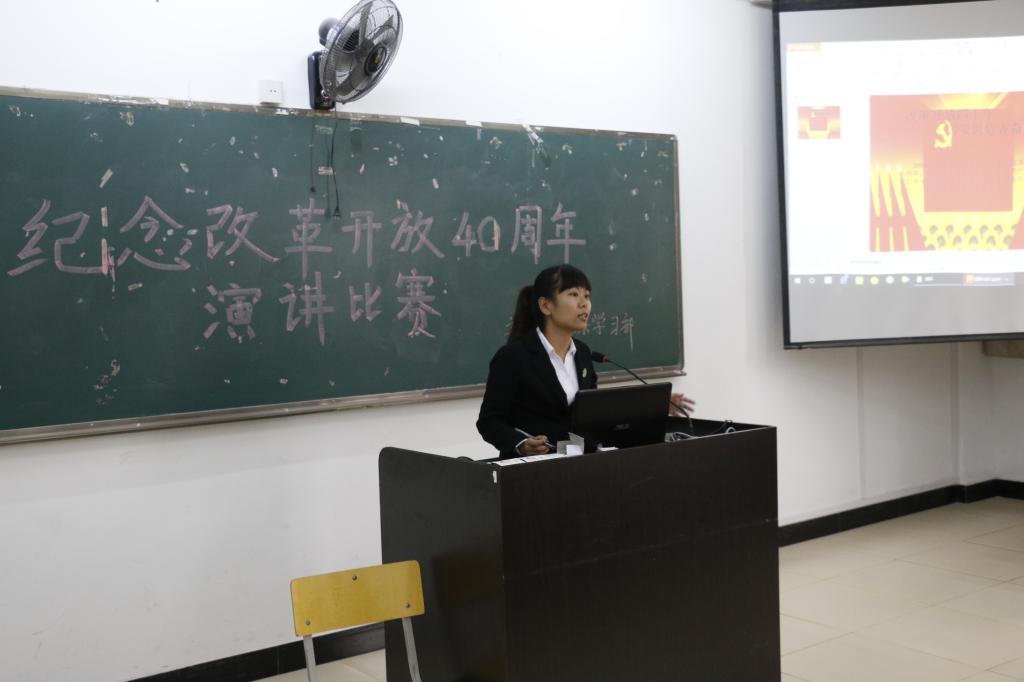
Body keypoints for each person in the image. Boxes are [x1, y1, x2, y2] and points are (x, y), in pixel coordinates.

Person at [476, 265, 694, 458]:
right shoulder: (514, 357)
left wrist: (650, 408)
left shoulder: (582, 353)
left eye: (587, 296)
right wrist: (521, 444)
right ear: (546, 306)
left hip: (578, 466)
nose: (584, 304)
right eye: (573, 294)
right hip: (531, 471)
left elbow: (593, 416)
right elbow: (489, 421)